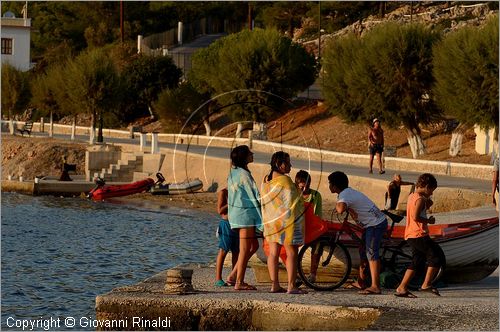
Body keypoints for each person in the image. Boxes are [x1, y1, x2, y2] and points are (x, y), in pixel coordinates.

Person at [328, 171, 387, 295]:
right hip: (372, 223)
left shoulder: (344, 194)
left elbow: (340, 209)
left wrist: (342, 205)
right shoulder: (348, 192)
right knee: (363, 252)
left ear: (335, 186)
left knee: (371, 252)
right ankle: (362, 282)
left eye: (330, 183)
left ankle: (375, 286)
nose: (329, 186)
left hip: (375, 224)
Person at [261, 151, 307, 294]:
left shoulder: (265, 180)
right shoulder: (286, 181)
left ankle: (274, 285)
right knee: (292, 252)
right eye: (288, 163)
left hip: (271, 222)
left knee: (273, 253)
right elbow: (293, 202)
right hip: (286, 224)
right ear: (279, 165)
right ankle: (291, 286)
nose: (290, 166)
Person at [395, 173, 443, 298]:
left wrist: (427, 200)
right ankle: (426, 284)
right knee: (437, 256)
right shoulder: (420, 199)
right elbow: (416, 217)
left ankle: (402, 288)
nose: (431, 193)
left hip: (411, 235)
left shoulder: (413, 196)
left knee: (417, 261)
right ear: (427, 186)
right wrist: (429, 221)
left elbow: (425, 206)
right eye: (431, 190)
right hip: (419, 234)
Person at [227, 145, 262, 291]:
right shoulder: (244, 175)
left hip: (235, 214)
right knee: (245, 249)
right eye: (249, 153)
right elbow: (255, 195)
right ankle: (239, 282)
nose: (252, 154)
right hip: (245, 216)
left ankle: (233, 275)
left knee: (254, 246)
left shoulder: (233, 173)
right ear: (244, 157)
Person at [295, 170, 322, 283]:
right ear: (297, 184)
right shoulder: (294, 194)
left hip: (311, 226)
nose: (305, 188)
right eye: (302, 186)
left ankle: (312, 274)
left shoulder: (315, 195)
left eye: (307, 185)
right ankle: (295, 273)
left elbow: (317, 214)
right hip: (297, 226)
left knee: (317, 245)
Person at [214, 187, 239, 287]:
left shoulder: (239, 192)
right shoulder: (223, 192)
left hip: (237, 225)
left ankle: (233, 277)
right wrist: (232, 202)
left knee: (236, 252)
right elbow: (220, 210)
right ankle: (218, 279)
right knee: (223, 251)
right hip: (226, 224)